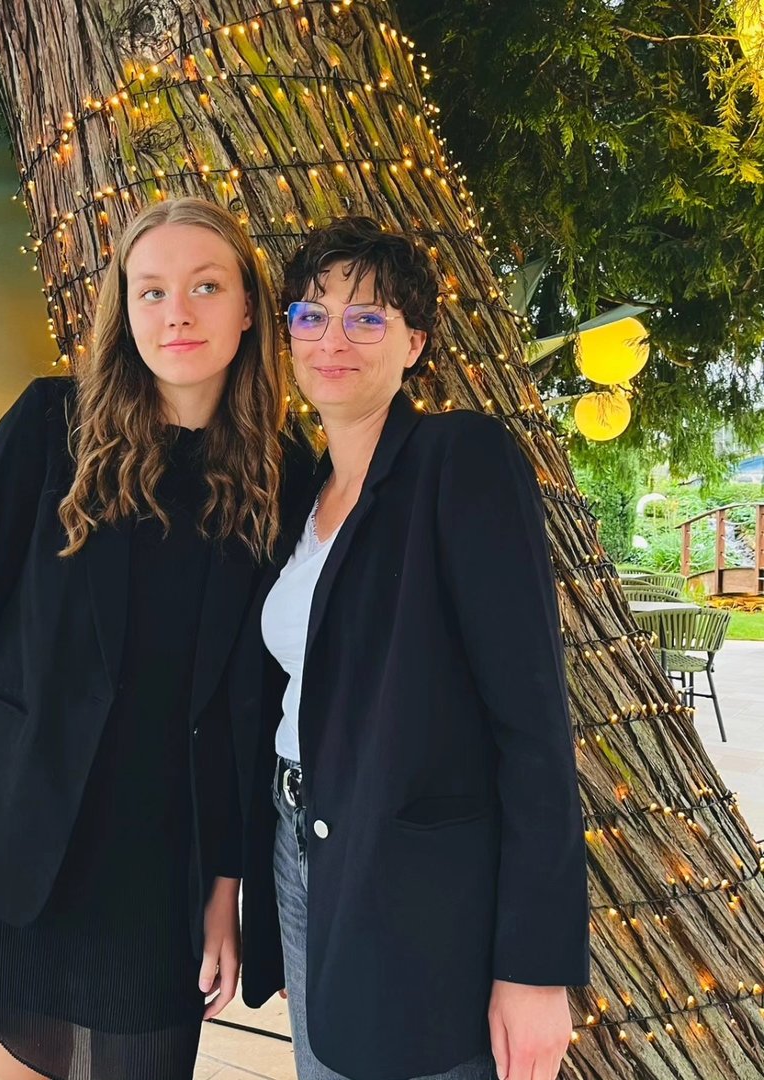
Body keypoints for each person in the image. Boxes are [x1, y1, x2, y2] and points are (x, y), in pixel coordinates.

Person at [0, 196, 299, 1080]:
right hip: (12, 839)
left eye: (205, 286)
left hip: (159, 869)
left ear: (248, 309)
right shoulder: (49, 426)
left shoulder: (283, 474)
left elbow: (249, 707)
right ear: (124, 310)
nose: (176, 313)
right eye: (151, 291)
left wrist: (226, 885)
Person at [233, 217, 590, 1080]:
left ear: (415, 342)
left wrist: (535, 969)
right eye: (312, 315)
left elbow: (533, 726)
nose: (333, 340)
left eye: (367, 317)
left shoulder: (459, 461)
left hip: (415, 885)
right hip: (297, 846)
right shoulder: (300, 490)